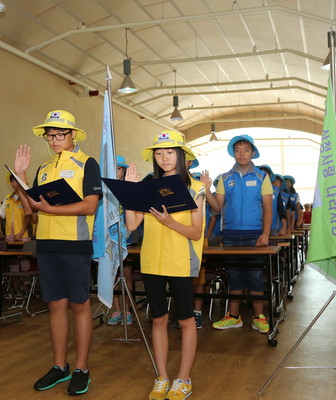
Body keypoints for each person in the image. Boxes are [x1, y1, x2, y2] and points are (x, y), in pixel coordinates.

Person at [14, 110, 101, 396]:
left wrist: (52, 209)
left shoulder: (87, 164)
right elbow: (32, 211)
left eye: (60, 134)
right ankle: (59, 365)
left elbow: (90, 206)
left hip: (75, 245)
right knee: (54, 305)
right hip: (47, 244)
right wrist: (22, 178)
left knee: (80, 305)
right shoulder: (43, 168)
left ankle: (82, 368)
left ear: (73, 134)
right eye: (50, 135)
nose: (54, 140)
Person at [124, 130, 204, 400]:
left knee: (185, 320)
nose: (164, 157)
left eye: (170, 152)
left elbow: (195, 232)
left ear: (181, 156)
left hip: (181, 260)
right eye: (159, 153)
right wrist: (130, 193)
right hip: (151, 261)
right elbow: (132, 225)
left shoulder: (196, 187)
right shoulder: (148, 187)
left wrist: (170, 223)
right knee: (157, 318)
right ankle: (162, 377)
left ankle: (184, 379)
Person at [202, 134, 272, 334]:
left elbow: (268, 208)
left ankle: (259, 317)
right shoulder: (225, 178)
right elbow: (216, 206)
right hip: (231, 235)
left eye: (246, 150)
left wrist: (266, 233)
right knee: (235, 276)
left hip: (255, 234)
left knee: (256, 275)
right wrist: (207, 190)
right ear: (233, 153)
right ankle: (234, 317)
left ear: (253, 153)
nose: (242, 154)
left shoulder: (261, 177)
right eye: (238, 150)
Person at [107, 155, 134, 326]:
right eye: (112, 168)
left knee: (126, 275)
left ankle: (127, 310)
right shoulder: (104, 190)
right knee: (112, 276)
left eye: (118, 168)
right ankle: (116, 310)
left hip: (128, 238)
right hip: (109, 239)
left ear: (123, 171)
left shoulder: (129, 188)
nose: (115, 172)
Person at [0, 173, 32, 242]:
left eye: (16, 180)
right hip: (9, 236)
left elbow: (29, 217)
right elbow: (2, 215)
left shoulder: (27, 197)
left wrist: (21, 234)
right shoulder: (7, 198)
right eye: (12, 181)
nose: (14, 183)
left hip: (24, 236)